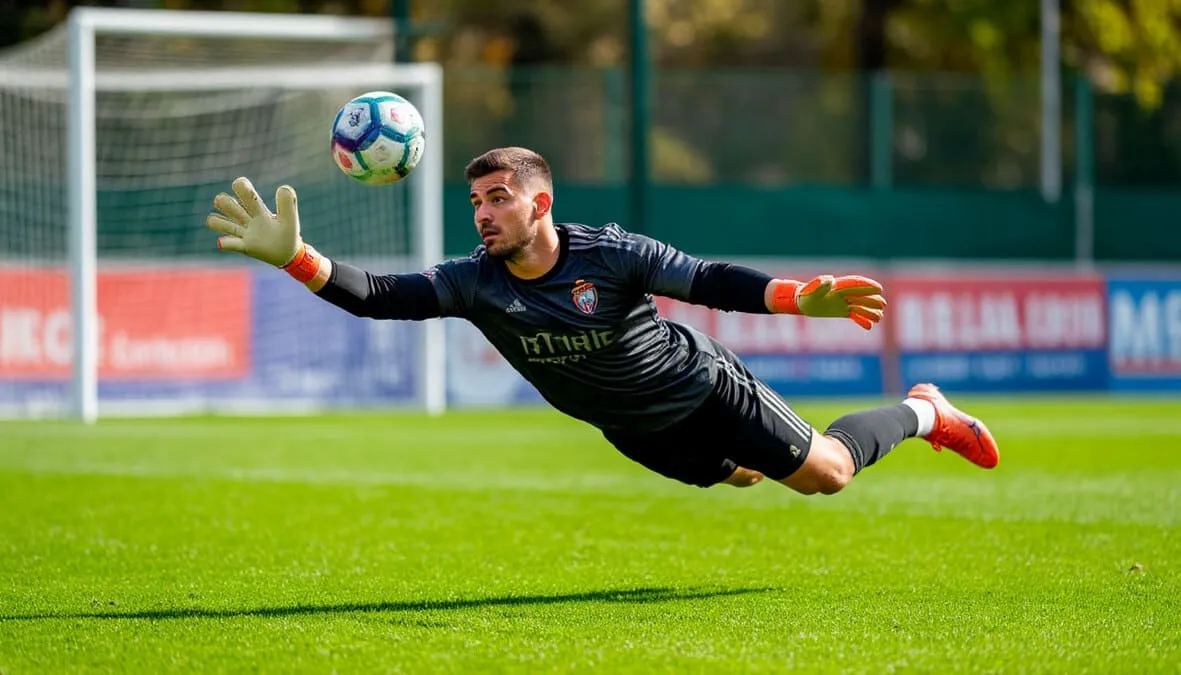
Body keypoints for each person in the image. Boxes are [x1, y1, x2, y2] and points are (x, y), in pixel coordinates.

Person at [205, 146, 998, 493]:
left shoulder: (609, 253)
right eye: (475, 201)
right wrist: (295, 255)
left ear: (539, 202)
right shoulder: (472, 281)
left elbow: (707, 279)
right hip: (629, 428)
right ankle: (761, 457)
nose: (482, 214)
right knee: (749, 476)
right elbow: (377, 294)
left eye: (498, 198)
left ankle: (924, 408)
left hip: (699, 389)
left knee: (823, 474)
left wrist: (797, 295)